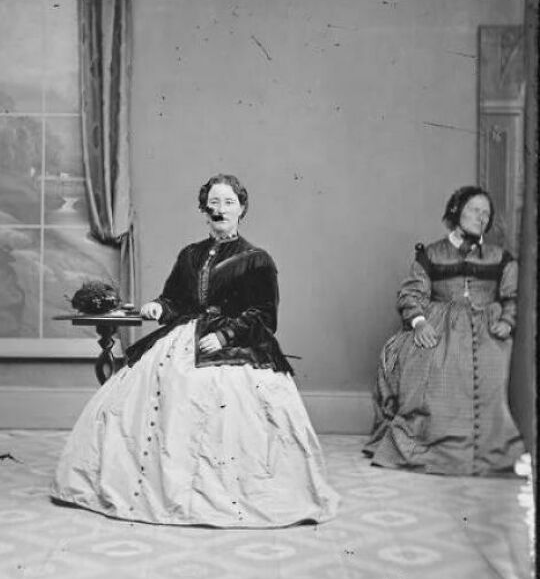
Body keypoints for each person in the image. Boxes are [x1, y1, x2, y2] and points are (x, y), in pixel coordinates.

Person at [52, 173, 339, 527]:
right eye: (214, 203)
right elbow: (175, 299)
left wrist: (225, 336)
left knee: (218, 399)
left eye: (229, 203)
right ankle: (161, 484)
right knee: (154, 383)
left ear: (242, 209)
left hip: (234, 343)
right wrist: (160, 307)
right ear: (204, 210)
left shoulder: (257, 260)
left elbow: (265, 314)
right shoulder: (189, 255)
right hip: (185, 334)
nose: (220, 210)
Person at [364, 186, 526, 476]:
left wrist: (508, 321)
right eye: (475, 210)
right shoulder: (431, 253)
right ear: (456, 212)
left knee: (498, 365)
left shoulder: (501, 258)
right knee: (424, 362)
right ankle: (428, 447)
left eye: (486, 213)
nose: (482, 217)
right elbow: (411, 293)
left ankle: (490, 452)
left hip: (488, 325)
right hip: (439, 322)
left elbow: (512, 296)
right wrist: (420, 322)